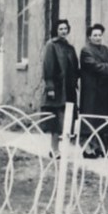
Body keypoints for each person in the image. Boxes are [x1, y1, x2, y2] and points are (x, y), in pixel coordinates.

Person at [79, 24, 108, 158]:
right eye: (94, 35)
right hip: (92, 89)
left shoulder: (106, 50)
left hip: (106, 89)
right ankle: (87, 148)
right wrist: (105, 67)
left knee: (103, 118)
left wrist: (106, 68)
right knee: (90, 118)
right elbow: (93, 66)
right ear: (89, 37)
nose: (97, 38)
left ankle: (99, 147)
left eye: (100, 35)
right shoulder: (86, 50)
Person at [42, 19, 79, 159]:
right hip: (58, 88)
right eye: (60, 29)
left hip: (69, 88)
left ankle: (62, 149)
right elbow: (48, 67)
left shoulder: (70, 48)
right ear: (56, 31)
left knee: (67, 120)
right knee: (56, 121)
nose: (63, 31)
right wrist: (50, 87)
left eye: (65, 29)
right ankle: (54, 149)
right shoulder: (52, 45)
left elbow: (75, 67)